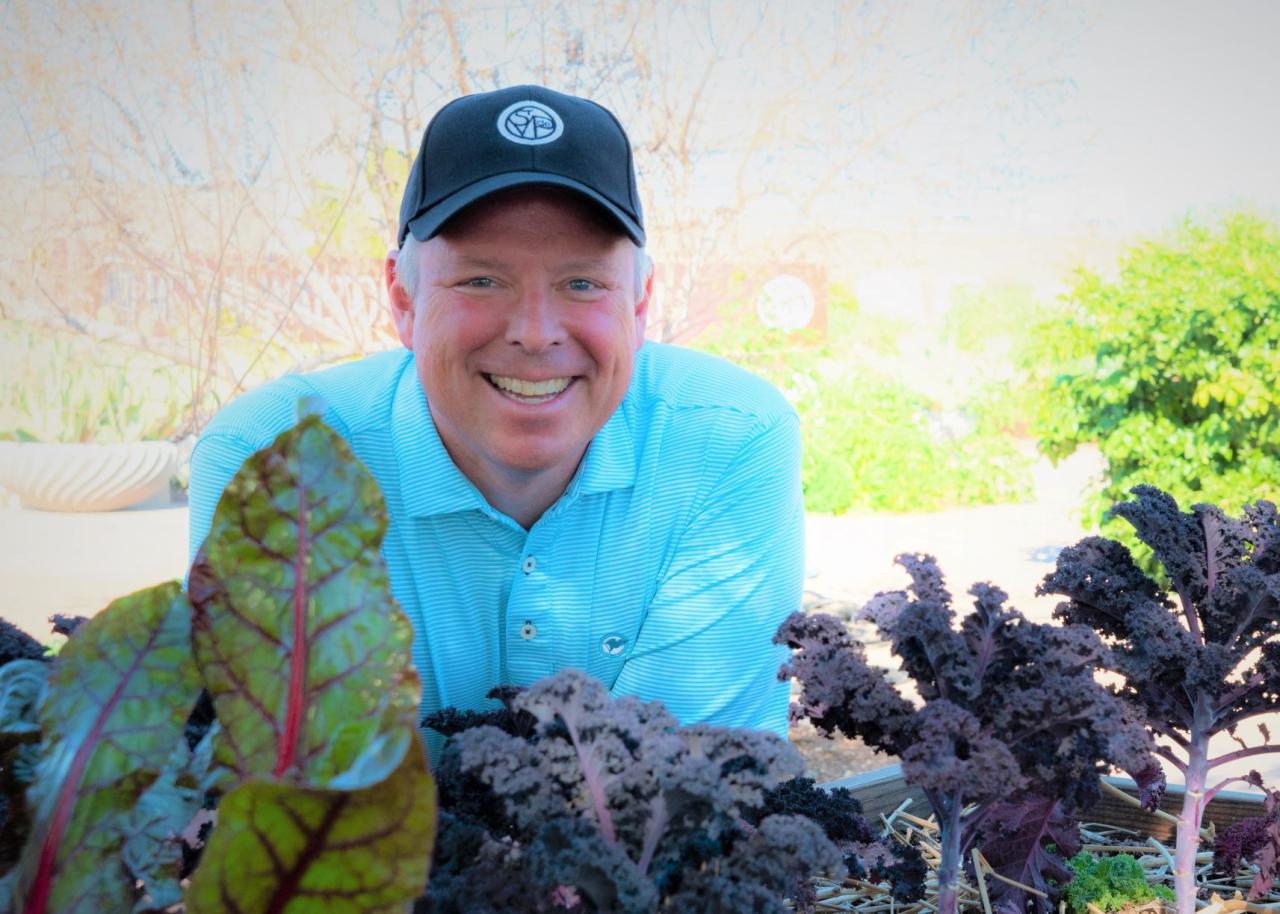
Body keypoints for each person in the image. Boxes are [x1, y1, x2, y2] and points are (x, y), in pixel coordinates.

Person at [187, 85, 803, 758]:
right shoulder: (273, 459)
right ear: (403, 298)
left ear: (639, 302)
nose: (536, 334)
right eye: (482, 281)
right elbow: (286, 786)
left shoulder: (728, 441)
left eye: (582, 284)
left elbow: (697, 785)